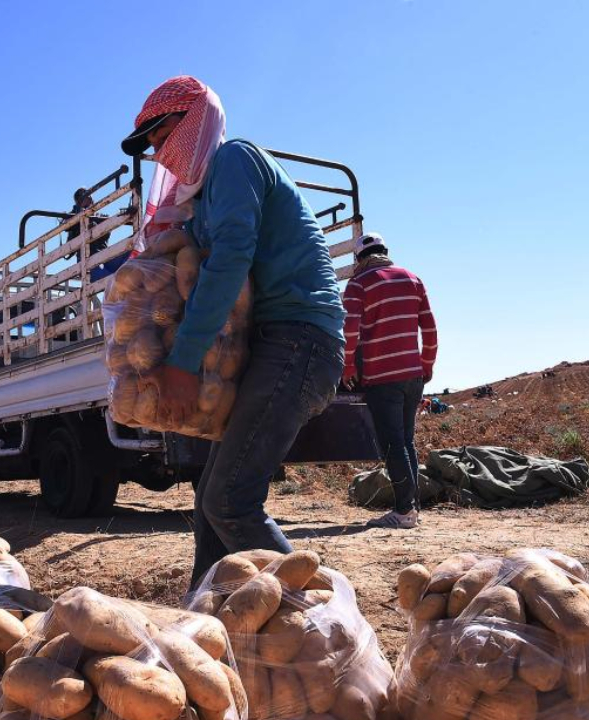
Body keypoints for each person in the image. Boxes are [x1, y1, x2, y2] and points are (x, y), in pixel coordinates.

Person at [120, 76, 347, 585]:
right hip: (279, 342)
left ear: (196, 120)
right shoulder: (207, 197)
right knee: (209, 503)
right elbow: (203, 249)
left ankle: (324, 624)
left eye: (162, 138)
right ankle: (207, 621)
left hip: (299, 339)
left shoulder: (233, 161)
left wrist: (182, 361)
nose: (160, 155)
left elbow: (229, 261)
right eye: (153, 147)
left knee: (230, 500)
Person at [340, 233, 438, 529]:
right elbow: (430, 328)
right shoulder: (412, 279)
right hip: (413, 374)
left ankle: (404, 512)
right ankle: (411, 507)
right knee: (406, 440)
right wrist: (427, 364)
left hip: (382, 376)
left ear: (359, 259)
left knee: (393, 444)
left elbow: (349, 331)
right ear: (386, 252)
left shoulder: (358, 284)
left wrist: (346, 367)